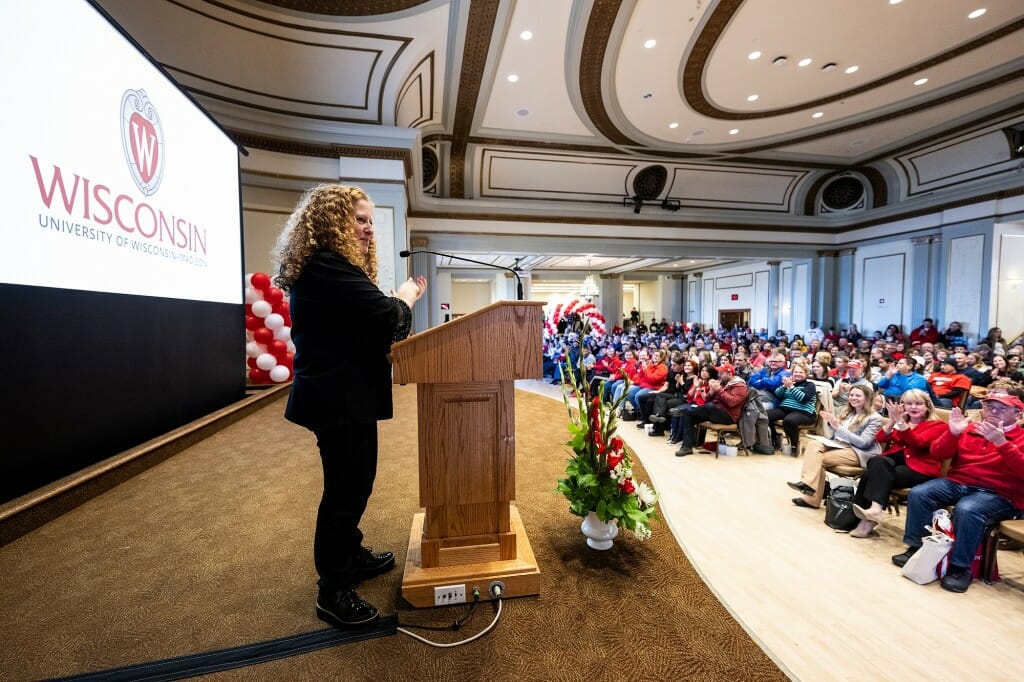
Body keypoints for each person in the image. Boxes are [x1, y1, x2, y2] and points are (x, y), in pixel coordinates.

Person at [272, 184, 427, 628]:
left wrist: (393, 307)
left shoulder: (332, 267)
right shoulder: (325, 265)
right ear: (331, 221)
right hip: (337, 397)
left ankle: (350, 554)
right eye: (359, 220)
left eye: (370, 222)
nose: (367, 230)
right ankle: (333, 588)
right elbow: (385, 318)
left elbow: (368, 326)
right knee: (345, 491)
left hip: (347, 393)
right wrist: (405, 298)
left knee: (357, 482)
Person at [892, 393, 1024, 593]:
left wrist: (1002, 443)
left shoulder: (1021, 438)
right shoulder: (970, 429)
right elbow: (938, 453)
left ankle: (960, 567)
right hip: (959, 482)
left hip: (999, 493)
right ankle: (917, 548)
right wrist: (952, 433)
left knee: (968, 509)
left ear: (1018, 414)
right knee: (921, 493)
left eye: (1002, 408)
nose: (994, 412)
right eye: (990, 407)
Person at [848, 390, 949, 537]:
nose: (913, 407)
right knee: (878, 463)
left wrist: (900, 423)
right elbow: (881, 438)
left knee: (871, 474)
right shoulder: (903, 421)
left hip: (919, 469)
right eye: (909, 403)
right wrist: (892, 421)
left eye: (918, 404)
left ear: (928, 406)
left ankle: (861, 520)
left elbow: (918, 443)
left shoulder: (938, 426)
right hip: (893, 463)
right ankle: (874, 511)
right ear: (903, 406)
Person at [787, 384, 882, 508]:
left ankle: (810, 494)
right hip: (839, 445)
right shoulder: (847, 412)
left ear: (867, 398)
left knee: (817, 459)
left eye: (858, 395)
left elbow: (863, 443)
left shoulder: (875, 418)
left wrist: (838, 427)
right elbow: (835, 435)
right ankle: (808, 486)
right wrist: (831, 424)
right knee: (813, 444)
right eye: (851, 395)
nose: (853, 398)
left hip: (858, 451)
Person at [673, 363, 747, 457]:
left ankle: (683, 411)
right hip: (714, 412)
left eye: (721, 373)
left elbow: (732, 402)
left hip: (728, 416)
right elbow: (707, 399)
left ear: (730, 374)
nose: (718, 374)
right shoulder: (723, 383)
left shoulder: (740, 386)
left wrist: (719, 389)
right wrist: (710, 391)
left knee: (709, 406)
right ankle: (686, 447)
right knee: (689, 416)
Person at [767, 361, 817, 453]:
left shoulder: (810, 385)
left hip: (804, 412)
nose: (797, 374)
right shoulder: (789, 383)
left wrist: (791, 387)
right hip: (785, 409)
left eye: (801, 372)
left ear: (807, 374)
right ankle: (775, 438)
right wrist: (784, 386)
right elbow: (778, 394)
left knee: (789, 420)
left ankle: (794, 446)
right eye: (795, 372)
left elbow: (803, 398)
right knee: (765, 416)